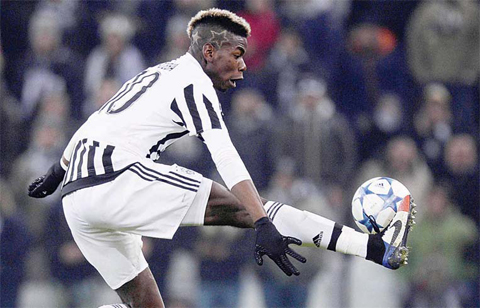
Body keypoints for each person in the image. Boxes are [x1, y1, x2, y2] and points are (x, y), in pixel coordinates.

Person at [27, 8, 415, 308]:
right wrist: (261, 221)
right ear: (209, 52)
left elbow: (97, 121)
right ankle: (377, 249)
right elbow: (227, 158)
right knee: (251, 209)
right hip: (116, 177)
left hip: (76, 201)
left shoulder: (153, 73)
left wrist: (57, 171)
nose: (244, 65)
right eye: (238, 54)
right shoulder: (193, 84)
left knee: (146, 302)